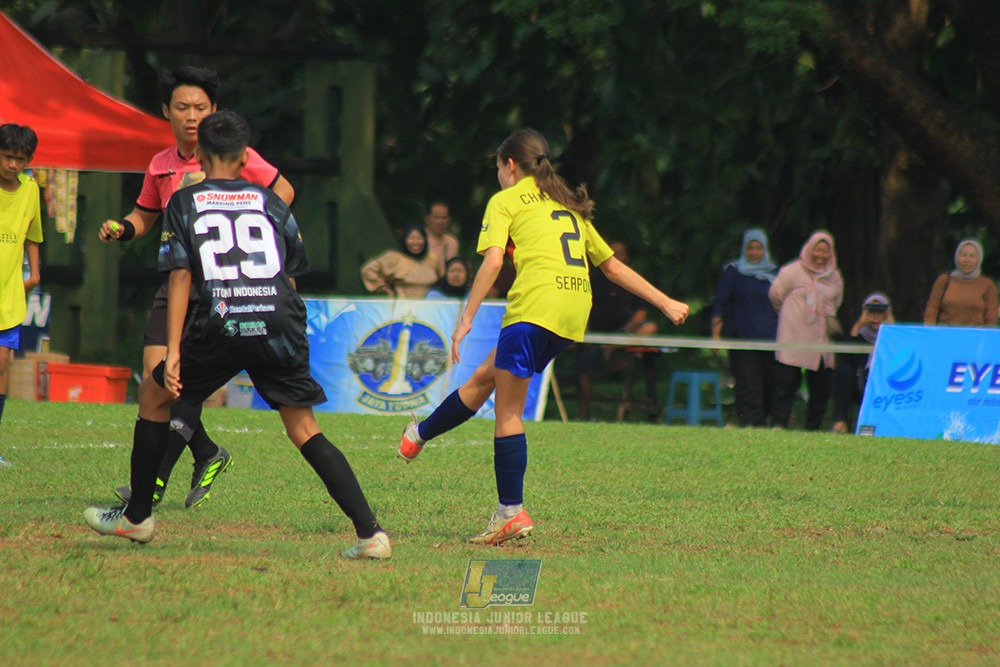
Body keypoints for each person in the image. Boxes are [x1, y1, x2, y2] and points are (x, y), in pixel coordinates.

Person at [83, 110, 390, 559]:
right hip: (278, 320)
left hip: (220, 321)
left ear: (201, 157)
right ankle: (372, 535)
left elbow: (181, 277)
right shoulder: (273, 202)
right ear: (246, 157)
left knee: (153, 399)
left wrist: (172, 351)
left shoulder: (184, 202)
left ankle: (137, 519)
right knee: (304, 427)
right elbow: (290, 275)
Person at [395, 129, 689, 545]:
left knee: (508, 412)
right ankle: (419, 434)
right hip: (571, 315)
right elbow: (613, 269)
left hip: (534, 308)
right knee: (485, 376)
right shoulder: (568, 205)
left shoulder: (505, 201)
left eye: (498, 167)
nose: (498, 175)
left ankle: (510, 513)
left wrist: (466, 319)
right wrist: (666, 303)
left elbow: (493, 261)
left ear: (509, 165)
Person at [99, 66, 295, 508]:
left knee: (178, 384)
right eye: (183, 107)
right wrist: (122, 229)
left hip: (219, 288)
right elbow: (145, 215)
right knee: (158, 383)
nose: (191, 116)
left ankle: (149, 488)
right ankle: (206, 452)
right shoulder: (161, 164)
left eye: (201, 108)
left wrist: (250, 228)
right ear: (166, 110)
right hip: (176, 282)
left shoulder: (234, 157)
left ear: (215, 112)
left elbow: (283, 189)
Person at [576, 240, 659, 421]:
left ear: (627, 256)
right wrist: (586, 331)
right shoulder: (593, 278)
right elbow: (582, 307)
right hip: (595, 332)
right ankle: (585, 412)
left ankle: (612, 346)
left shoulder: (633, 279)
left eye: (620, 253)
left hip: (624, 332)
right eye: (612, 253)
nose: (616, 257)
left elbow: (642, 311)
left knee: (651, 328)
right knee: (584, 362)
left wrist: (635, 324)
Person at [768, 231, 843, 430]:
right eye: (817, 250)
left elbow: (836, 301)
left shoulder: (834, 276)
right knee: (785, 384)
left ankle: (813, 427)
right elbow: (776, 295)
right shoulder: (791, 271)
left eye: (825, 251)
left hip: (820, 339)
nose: (820, 255)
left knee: (820, 387)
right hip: (793, 336)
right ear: (809, 249)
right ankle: (778, 424)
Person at [0, 124, 42, 467]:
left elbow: (32, 233)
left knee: (1, 365)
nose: (13, 165)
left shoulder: (30, 189)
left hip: (9, 293)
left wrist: (35, 272)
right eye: (7, 157)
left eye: (20, 159)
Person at [710, 229, 780, 427]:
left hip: (771, 336)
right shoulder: (734, 271)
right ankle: (749, 423)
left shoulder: (776, 272)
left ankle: (766, 421)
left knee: (770, 382)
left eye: (759, 248)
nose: (754, 252)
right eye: (750, 248)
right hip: (742, 335)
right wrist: (716, 335)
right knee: (748, 382)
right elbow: (720, 302)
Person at [831, 292, 893, 434]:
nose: (876, 317)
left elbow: (894, 353)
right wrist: (858, 326)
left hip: (883, 383)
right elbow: (848, 360)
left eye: (880, 313)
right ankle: (840, 421)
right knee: (844, 371)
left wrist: (890, 323)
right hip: (860, 383)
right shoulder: (861, 333)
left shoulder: (891, 334)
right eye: (872, 312)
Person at [923, 238, 998, 327]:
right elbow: (932, 309)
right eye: (963, 255)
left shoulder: (988, 285)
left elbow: (991, 319)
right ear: (957, 256)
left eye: (972, 256)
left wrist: (986, 338)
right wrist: (931, 332)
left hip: (975, 337)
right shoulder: (944, 280)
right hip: (945, 335)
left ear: (979, 259)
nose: (967, 260)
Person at [361, 224, 442, 298]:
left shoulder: (433, 258)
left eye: (419, 238)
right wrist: (382, 287)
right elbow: (368, 270)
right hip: (402, 307)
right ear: (404, 239)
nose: (415, 242)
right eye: (411, 238)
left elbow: (443, 279)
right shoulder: (394, 258)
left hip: (429, 308)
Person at [424, 200, 460, 274]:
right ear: (427, 219)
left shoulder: (452, 242)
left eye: (444, 218)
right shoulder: (420, 240)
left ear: (449, 220)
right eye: (436, 217)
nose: (440, 222)